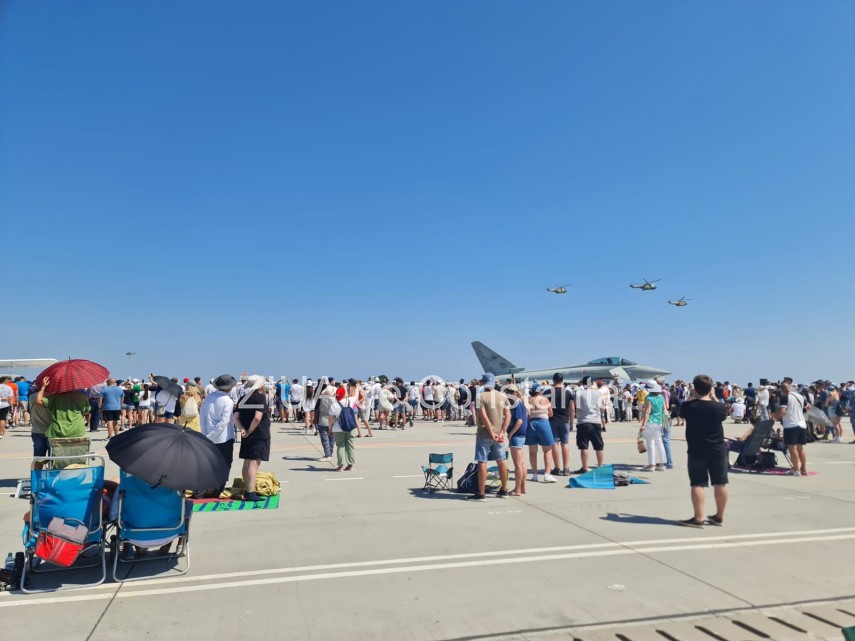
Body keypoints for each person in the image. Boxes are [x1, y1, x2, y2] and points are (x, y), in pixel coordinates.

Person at [679, 374, 729, 528]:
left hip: (696, 450)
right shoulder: (719, 407)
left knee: (698, 484)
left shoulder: (689, 406)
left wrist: (692, 395)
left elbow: (682, 412)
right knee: (720, 484)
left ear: (695, 389)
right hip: (717, 449)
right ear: (710, 388)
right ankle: (719, 516)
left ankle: (699, 518)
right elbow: (723, 414)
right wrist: (713, 396)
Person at [468, 373, 510, 501]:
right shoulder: (503, 396)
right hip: (499, 435)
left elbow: (483, 416)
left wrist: (491, 433)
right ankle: (504, 490)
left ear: (483, 383)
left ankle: (481, 493)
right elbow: (508, 415)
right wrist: (502, 432)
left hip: (484, 434)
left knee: (482, 461)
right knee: (501, 461)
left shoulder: (481, 397)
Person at [234, 376, 271, 502]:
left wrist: (242, 429)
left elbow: (235, 418)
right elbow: (257, 417)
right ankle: (250, 492)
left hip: (246, 434)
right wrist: (250, 430)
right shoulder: (260, 398)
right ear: (260, 386)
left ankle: (248, 489)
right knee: (254, 463)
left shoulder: (243, 398)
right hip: (258, 433)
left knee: (247, 462)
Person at [199, 374, 237, 496]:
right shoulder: (228, 400)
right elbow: (223, 422)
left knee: (209, 464)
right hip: (224, 437)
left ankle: (203, 488)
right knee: (225, 464)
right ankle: (218, 489)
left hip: (208, 435)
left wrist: (205, 433)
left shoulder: (208, 398)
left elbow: (202, 417)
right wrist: (212, 436)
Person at [775, 380, 810, 476]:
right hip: (802, 424)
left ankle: (796, 470)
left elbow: (782, 411)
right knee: (800, 447)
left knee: (792, 448)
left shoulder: (785, 397)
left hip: (791, 425)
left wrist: (775, 417)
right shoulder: (800, 396)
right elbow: (808, 407)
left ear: (782, 390)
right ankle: (804, 469)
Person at [544, 372, 575, 476]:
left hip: (552, 420)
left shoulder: (548, 392)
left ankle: (557, 468)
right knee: (565, 443)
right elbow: (572, 409)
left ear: (553, 380)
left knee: (555, 443)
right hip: (564, 420)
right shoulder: (568, 393)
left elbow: (544, 406)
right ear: (562, 381)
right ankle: (566, 468)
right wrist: (571, 423)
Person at [573, 377, 605, 473]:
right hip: (596, 421)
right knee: (599, 446)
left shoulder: (579, 393)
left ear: (583, 384)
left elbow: (577, 407)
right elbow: (602, 408)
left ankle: (585, 467)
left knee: (584, 446)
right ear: (592, 383)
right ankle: (600, 466)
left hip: (583, 421)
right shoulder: (599, 394)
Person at [526, 385, 557, 483]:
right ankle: (547, 474)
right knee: (547, 450)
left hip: (531, 423)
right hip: (543, 423)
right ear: (539, 391)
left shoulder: (528, 400)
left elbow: (526, 413)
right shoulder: (544, 400)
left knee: (532, 451)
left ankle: (534, 475)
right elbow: (551, 414)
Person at [329, 384, 358, 471]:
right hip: (350, 427)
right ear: (344, 394)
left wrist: (330, 429)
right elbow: (356, 395)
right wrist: (357, 387)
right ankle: (350, 465)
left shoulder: (334, 405)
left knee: (340, 446)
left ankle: (340, 465)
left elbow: (330, 420)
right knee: (350, 446)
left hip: (338, 428)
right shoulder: (350, 401)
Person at [505, 385, 528, 496]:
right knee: (521, 463)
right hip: (521, 435)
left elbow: (519, 421)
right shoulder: (520, 402)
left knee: (518, 464)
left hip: (517, 435)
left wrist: (510, 433)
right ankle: (522, 487)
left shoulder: (516, 404)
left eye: (509, 392)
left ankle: (517, 489)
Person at [639, 383, 667, 471]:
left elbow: (648, 411)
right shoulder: (661, 397)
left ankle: (651, 464)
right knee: (659, 442)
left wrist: (643, 424)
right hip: (659, 421)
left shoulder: (649, 397)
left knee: (650, 442)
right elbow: (664, 409)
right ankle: (662, 464)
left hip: (651, 421)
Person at [313, 383, 336, 461]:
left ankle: (327, 455)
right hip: (332, 421)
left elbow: (316, 408)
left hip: (322, 421)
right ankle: (330, 454)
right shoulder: (334, 399)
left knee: (324, 439)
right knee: (331, 439)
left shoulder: (321, 399)